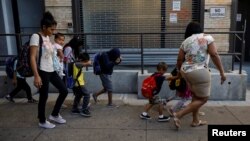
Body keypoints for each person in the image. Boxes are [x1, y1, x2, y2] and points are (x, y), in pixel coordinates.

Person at [172, 21, 226, 130]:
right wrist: (222, 72)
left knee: (196, 97)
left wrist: (179, 72)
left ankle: (195, 121)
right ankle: (179, 115)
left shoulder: (186, 41)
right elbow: (214, 54)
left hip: (185, 72)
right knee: (203, 99)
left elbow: (179, 59)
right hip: (200, 71)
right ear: (200, 29)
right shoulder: (207, 38)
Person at [30, 11, 68, 129]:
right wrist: (36, 75)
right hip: (42, 71)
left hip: (51, 70)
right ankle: (42, 120)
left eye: (54, 29)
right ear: (44, 27)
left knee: (64, 90)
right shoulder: (36, 36)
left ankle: (54, 114)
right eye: (51, 29)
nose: (53, 32)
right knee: (44, 96)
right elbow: (32, 56)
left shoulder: (47, 37)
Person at [71, 52, 92, 116]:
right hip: (79, 83)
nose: (86, 62)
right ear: (81, 60)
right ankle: (84, 110)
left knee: (78, 95)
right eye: (85, 60)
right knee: (87, 95)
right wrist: (88, 62)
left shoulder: (76, 62)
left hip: (77, 83)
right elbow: (88, 63)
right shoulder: (77, 64)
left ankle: (74, 109)